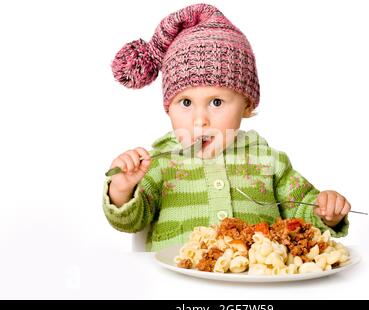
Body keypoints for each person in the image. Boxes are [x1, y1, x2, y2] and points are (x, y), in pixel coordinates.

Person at [103, 3, 351, 252]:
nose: (200, 120)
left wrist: (325, 211)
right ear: (168, 107)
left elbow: (301, 212)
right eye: (186, 102)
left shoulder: (265, 159)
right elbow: (131, 221)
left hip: (257, 283)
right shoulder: (158, 164)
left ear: (247, 104)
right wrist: (122, 189)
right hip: (179, 287)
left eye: (217, 102)